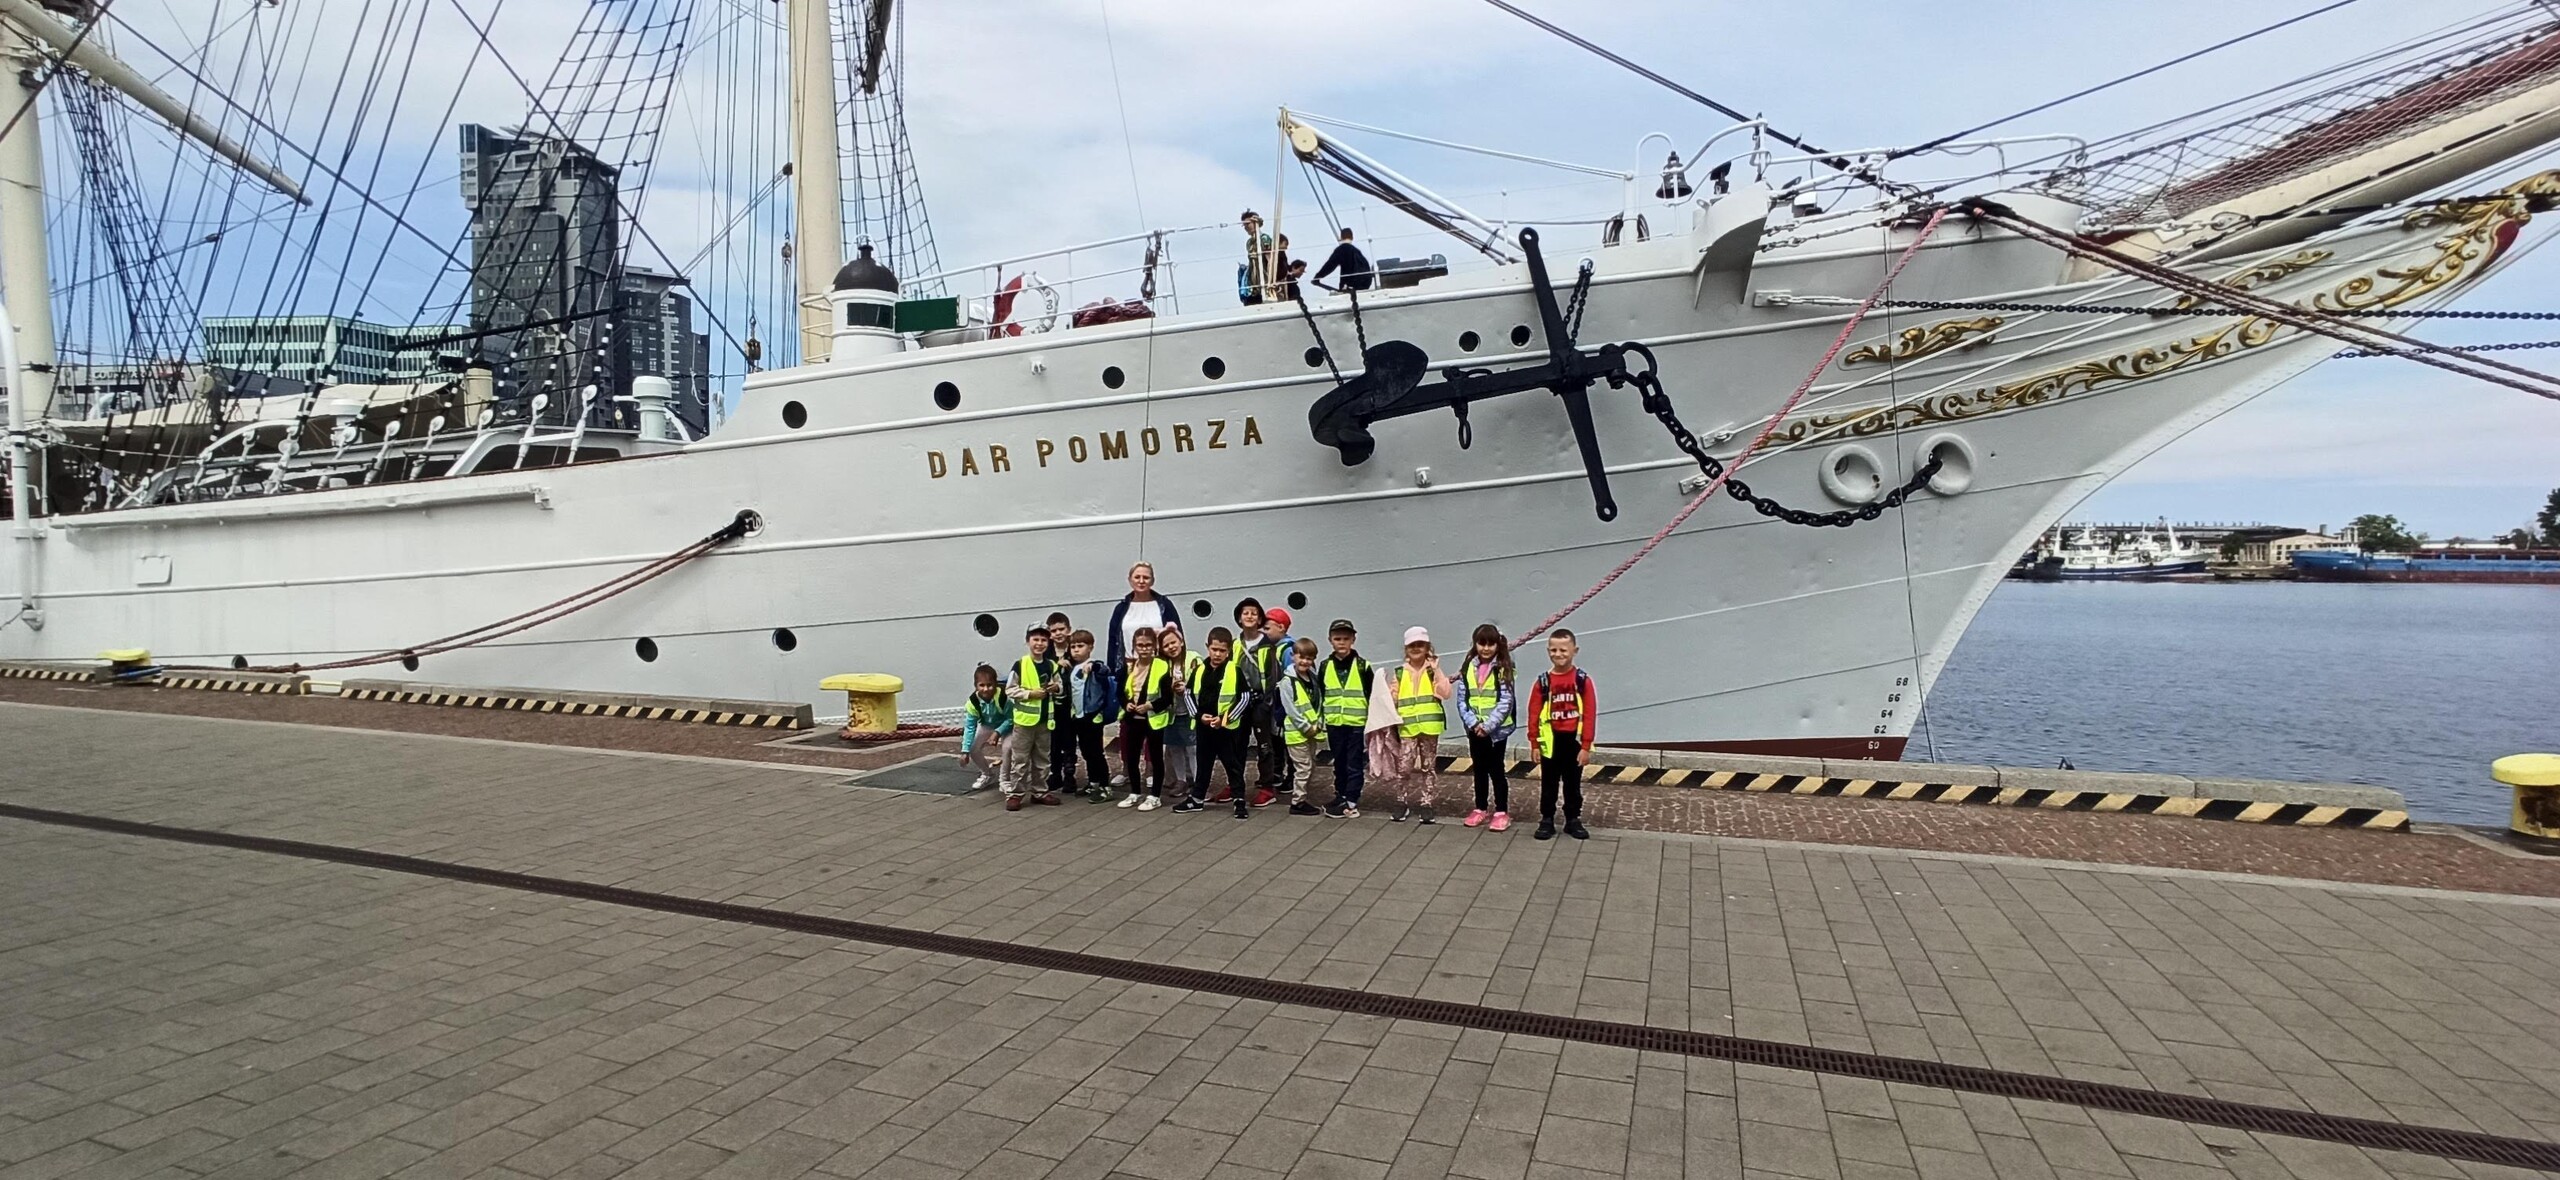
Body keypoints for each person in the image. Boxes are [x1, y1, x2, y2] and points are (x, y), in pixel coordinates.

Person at [1524, 630, 1595, 841]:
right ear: (1548, 651)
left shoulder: (1582, 681)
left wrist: (1586, 746)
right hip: (1550, 741)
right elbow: (1534, 713)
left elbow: (1589, 714)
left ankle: (1573, 819)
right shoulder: (1543, 682)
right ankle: (1547, 819)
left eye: (1563, 650)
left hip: (1573, 741)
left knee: (1573, 783)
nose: (1558, 654)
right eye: (1553, 650)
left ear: (1575, 651)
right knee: (1549, 782)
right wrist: (1534, 743)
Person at [1182, 627, 1254, 818]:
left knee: (1232, 765)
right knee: (1203, 764)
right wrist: (1198, 716)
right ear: (1208, 647)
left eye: (1222, 650)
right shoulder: (1199, 670)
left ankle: (1239, 799)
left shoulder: (1234, 671)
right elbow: (1188, 694)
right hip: (1204, 727)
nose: (1217, 654)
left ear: (1228, 651)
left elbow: (1245, 698)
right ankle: (1197, 798)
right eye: (1214, 649)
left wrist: (1225, 719)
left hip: (1226, 730)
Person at [1385, 627, 1453, 824]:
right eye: (1412, 645)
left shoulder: (1432, 672)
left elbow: (1446, 692)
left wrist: (1436, 670)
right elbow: (1392, 698)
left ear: (1427, 648)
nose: (1416, 648)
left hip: (1429, 727)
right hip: (1407, 728)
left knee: (1428, 767)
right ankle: (1401, 801)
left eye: (1420, 645)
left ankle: (1427, 803)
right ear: (1406, 649)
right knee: (1404, 767)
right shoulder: (1400, 673)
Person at [1453, 623, 1518, 831]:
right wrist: (1473, 723)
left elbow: (1506, 701)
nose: (1486, 648)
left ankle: (1501, 810)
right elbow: (1462, 699)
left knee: (1496, 769)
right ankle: (1480, 807)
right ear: (1475, 644)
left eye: (1491, 644)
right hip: (1475, 729)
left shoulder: (1503, 668)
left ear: (1497, 645)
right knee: (1479, 769)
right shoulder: (1468, 668)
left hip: (1496, 731)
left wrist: (1488, 726)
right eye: (1482, 643)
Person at [1002, 624, 1063, 811]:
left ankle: (1040, 792)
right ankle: (1016, 794)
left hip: (1044, 721)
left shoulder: (1051, 665)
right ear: (1028, 642)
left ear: (1048, 643)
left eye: (1043, 640)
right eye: (1036, 639)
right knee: (1020, 760)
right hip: (1024, 722)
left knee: (1042, 759)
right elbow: (1010, 690)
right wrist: (1030, 694)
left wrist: (1055, 688)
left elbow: (1060, 686)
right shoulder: (1020, 664)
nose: (1039, 643)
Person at [1319, 619, 1372, 818]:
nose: (1341, 642)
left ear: (1353, 640)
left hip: (1356, 723)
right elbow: (1321, 693)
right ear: (1330, 640)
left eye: (1346, 639)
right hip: (1334, 722)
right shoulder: (1325, 666)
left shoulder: (1363, 666)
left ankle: (1351, 800)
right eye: (1337, 639)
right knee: (1339, 762)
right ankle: (1340, 794)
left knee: (1354, 763)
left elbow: (1371, 694)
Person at [1234, 599, 1283, 808]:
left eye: (1254, 613)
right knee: (1237, 744)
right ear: (1239, 618)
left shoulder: (1267, 645)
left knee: (1264, 745)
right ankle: (1235, 784)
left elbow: (1273, 676)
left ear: (1260, 618)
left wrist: (1266, 703)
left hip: (1261, 701)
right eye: (1245, 613)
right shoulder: (1236, 644)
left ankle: (1267, 787)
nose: (1250, 616)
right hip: (1240, 701)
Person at [1117, 627, 1173, 810]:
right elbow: (1121, 692)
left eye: (1148, 645)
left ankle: (1155, 795)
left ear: (1154, 646)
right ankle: (1134, 792)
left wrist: (1150, 705)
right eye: (1140, 645)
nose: (1144, 649)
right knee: (1132, 756)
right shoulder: (1129, 668)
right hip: (1133, 718)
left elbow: (1167, 697)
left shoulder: (1162, 666)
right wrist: (1126, 704)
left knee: (1156, 757)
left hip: (1153, 719)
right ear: (1134, 646)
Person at [1056, 629, 1114, 801]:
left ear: (1090, 647)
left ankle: (1105, 787)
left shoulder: (1094, 666)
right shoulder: (1072, 668)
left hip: (1092, 716)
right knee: (1086, 752)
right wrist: (1060, 667)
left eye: (1080, 646)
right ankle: (1093, 783)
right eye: (1073, 646)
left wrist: (1094, 667)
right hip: (1078, 717)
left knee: (1096, 752)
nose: (1076, 650)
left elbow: (1105, 670)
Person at [1275, 638, 1327, 814]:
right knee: (1303, 768)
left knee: (1310, 766)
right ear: (1293, 656)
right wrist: (1306, 727)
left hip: (1312, 731)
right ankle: (1297, 802)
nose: (1305, 661)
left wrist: (1318, 724)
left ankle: (1302, 798)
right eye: (1301, 657)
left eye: (1309, 658)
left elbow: (1317, 703)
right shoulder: (1287, 682)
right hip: (1296, 733)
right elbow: (1291, 709)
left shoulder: (1313, 678)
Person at [1159, 623, 1204, 808]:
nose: (1171, 647)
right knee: (1174, 746)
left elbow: (1201, 680)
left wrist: (1187, 688)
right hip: (1171, 712)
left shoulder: (1194, 659)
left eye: (1173, 642)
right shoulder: (1163, 664)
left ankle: (1198, 781)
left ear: (1182, 641)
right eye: (1166, 645)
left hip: (1191, 710)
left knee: (1193, 747)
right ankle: (1181, 780)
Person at [956, 664, 1010, 793]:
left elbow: (1012, 718)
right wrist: (965, 751)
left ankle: (1005, 779)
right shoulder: (973, 702)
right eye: (981, 685)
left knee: (1008, 748)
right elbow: (970, 726)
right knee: (973, 748)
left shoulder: (1004, 697)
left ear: (995, 684)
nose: (986, 689)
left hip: (1007, 725)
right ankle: (987, 773)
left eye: (989, 685)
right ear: (976, 686)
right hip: (987, 725)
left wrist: (998, 732)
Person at [1313, 227, 1374, 292]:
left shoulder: (1341, 250)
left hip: (1350, 285)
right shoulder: (1357, 251)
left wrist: (1317, 277)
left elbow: (1330, 265)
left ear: (1341, 237)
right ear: (1352, 237)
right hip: (1364, 284)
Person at [1236, 211, 1275, 305]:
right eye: (1244, 225)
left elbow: (1270, 259)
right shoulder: (1249, 242)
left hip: (1263, 273)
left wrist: (1271, 278)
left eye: (1248, 224)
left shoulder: (1264, 238)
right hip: (1252, 274)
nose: (1246, 227)